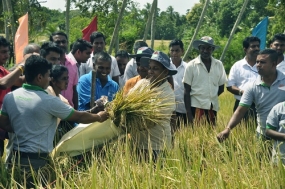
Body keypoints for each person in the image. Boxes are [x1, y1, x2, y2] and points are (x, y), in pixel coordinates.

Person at [0, 55, 109, 187]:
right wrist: (99, 117)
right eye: (48, 75)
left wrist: (23, 127)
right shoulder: (49, 101)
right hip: (36, 163)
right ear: (39, 77)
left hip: (14, 159)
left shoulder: (10, 97)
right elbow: (78, 117)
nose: (50, 79)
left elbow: (4, 123)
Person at [217, 49, 285, 142]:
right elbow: (241, 110)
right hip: (263, 134)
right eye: (257, 62)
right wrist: (228, 128)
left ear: (273, 64)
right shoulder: (252, 86)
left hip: (282, 133)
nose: (258, 65)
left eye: (262, 62)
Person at [128, 51, 177, 162]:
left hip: (157, 146)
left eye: (155, 69)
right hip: (138, 143)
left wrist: (125, 125)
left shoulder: (167, 94)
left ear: (165, 72)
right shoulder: (142, 84)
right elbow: (127, 101)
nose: (150, 72)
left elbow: (150, 121)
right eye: (149, 68)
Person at [183, 36, 227, 125]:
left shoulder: (219, 65)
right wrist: (189, 113)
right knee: (196, 135)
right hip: (196, 107)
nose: (205, 51)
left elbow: (221, 88)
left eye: (209, 48)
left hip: (212, 107)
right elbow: (186, 91)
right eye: (203, 48)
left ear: (213, 49)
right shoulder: (191, 65)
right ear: (199, 48)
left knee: (210, 134)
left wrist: (209, 97)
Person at [0, 37, 26, 157]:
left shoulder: (2, 70)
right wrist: (22, 67)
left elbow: (19, 81)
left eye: (7, 51)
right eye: (3, 52)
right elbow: (4, 84)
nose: (6, 55)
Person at [227, 36, 260, 122]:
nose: (256, 48)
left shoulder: (263, 65)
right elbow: (230, 86)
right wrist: (242, 92)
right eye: (253, 46)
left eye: (258, 46)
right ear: (245, 49)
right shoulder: (237, 66)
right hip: (241, 104)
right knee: (241, 132)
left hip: (260, 105)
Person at [50, 31, 79, 109]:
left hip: (70, 111)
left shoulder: (73, 64)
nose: (61, 44)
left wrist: (76, 111)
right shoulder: (49, 64)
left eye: (63, 42)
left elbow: (74, 90)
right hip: (53, 110)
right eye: (57, 42)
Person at [169, 39, 187, 128]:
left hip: (183, 109)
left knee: (182, 136)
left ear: (182, 51)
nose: (174, 53)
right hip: (168, 109)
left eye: (177, 51)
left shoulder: (187, 67)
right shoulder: (165, 66)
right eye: (172, 51)